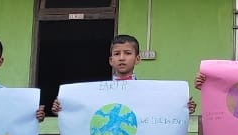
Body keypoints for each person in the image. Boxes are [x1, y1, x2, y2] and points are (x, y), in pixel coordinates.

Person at [52, 34, 196, 114]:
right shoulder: (97, 93)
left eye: (127, 53)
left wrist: (182, 108)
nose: (122, 58)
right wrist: (64, 109)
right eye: (116, 54)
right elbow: (85, 112)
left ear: (137, 59)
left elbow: (159, 111)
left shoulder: (147, 92)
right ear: (111, 60)